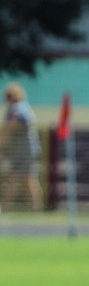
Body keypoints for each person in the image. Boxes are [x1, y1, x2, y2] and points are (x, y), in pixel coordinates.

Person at [0, 82, 43, 211]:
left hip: (24, 150)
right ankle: (36, 207)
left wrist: (1, 140)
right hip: (23, 150)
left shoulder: (18, 108)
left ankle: (7, 206)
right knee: (26, 177)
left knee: (22, 177)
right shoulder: (23, 107)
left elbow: (12, 125)